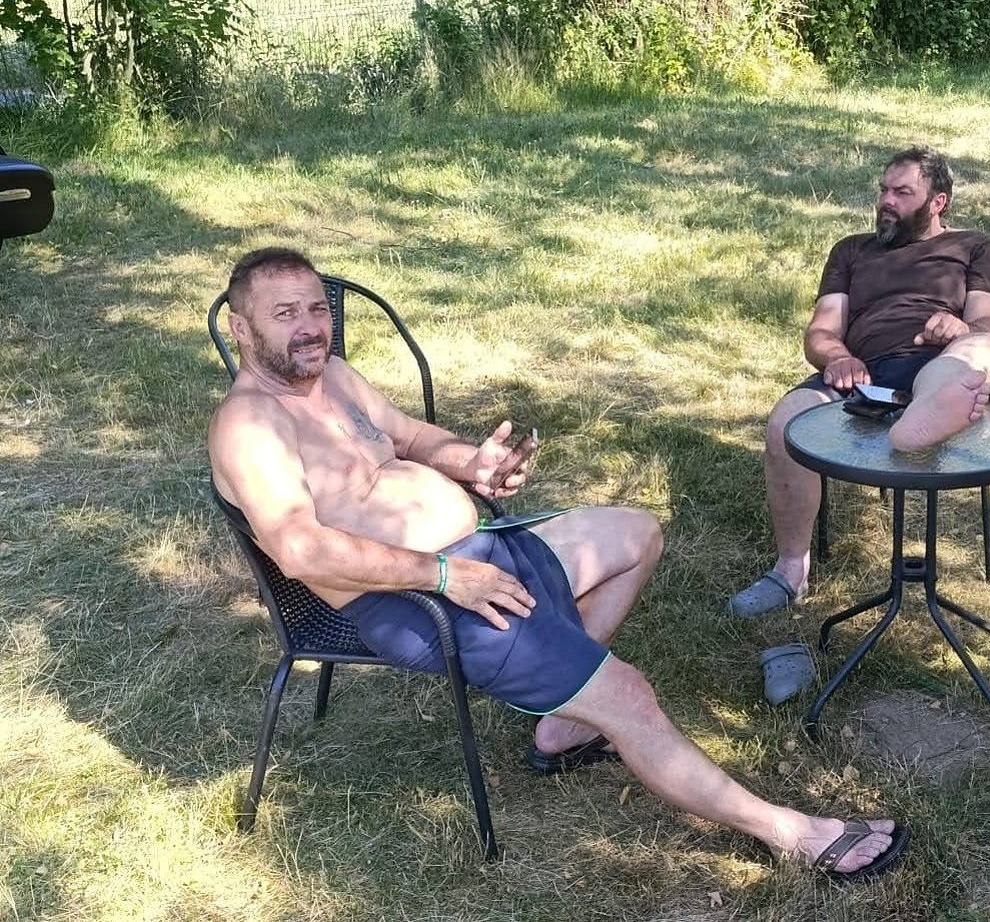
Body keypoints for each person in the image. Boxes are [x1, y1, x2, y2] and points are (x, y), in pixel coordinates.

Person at [207, 246, 909, 881]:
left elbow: (411, 438)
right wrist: (447, 576)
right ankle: (792, 833)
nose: (310, 327)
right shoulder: (250, 425)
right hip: (417, 598)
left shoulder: (333, 376)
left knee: (635, 534)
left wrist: (473, 464)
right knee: (629, 695)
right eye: (284, 314)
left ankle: (564, 720)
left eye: (315, 309)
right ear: (242, 329)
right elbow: (300, 550)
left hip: (481, 554)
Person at [729, 146, 990, 618]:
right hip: (866, 374)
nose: (886, 201)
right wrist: (839, 358)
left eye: (902, 192)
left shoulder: (973, 247)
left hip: (944, 359)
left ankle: (931, 405)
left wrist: (961, 328)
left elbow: (989, 321)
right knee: (785, 424)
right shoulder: (852, 251)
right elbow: (821, 331)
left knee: (981, 350)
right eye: (883, 190)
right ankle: (790, 571)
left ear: (937, 202)